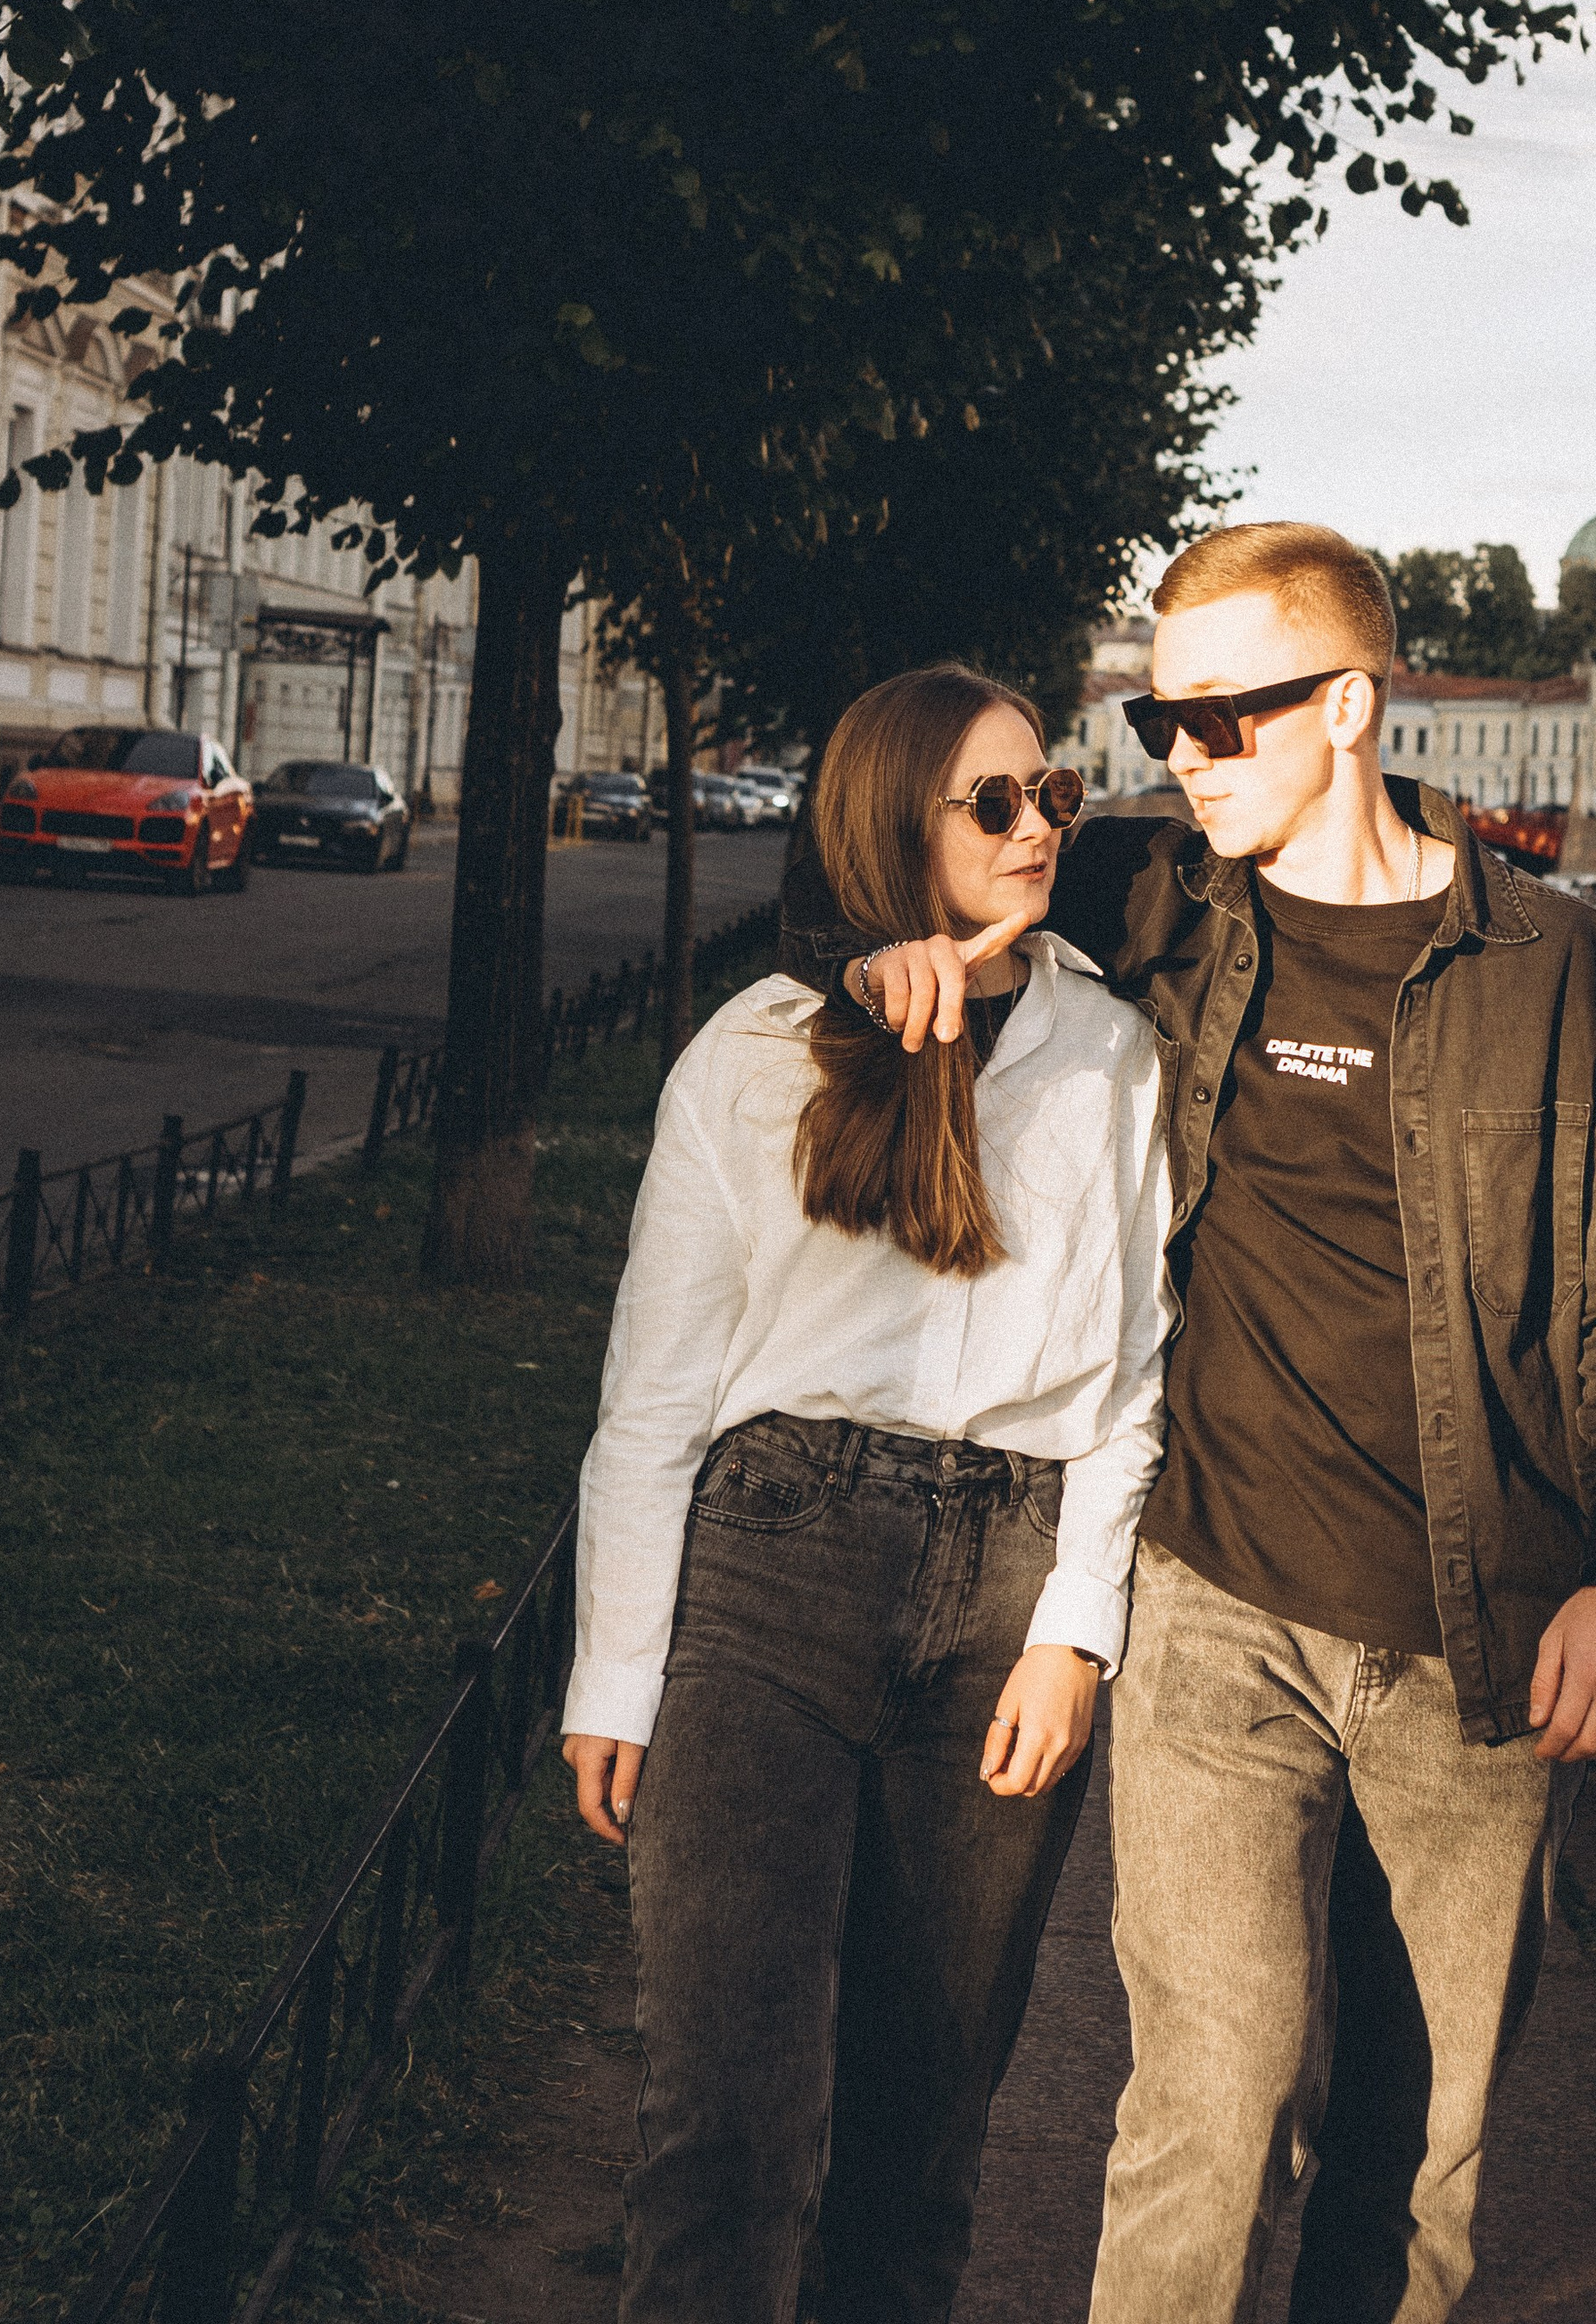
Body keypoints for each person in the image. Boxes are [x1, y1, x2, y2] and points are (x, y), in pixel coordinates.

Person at [818, 524, 1596, 2324]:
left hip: (1481, 1645)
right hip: (1211, 1606)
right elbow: (892, 860)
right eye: (1159, 718)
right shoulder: (1147, 898)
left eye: (1221, 718)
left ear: (1350, 707)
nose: (1182, 754)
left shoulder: (1575, 984)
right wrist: (884, 960)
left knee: (1414, 2159)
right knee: (1205, 2104)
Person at [562, 663, 1172, 2324]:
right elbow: (652, 1399)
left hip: (1005, 1592)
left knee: (921, 2147)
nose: (1041, 826)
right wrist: (617, 1669)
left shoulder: (1115, 1057)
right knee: (726, 2131)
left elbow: (1130, 1378)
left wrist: (1077, 1631)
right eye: (997, 801)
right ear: (895, 820)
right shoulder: (757, 1054)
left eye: (1056, 793)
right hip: (772, 1569)